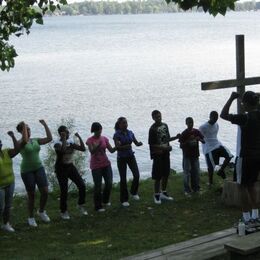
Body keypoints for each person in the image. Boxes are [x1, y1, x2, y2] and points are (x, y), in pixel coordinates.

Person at [220, 91, 260, 225]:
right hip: (257, 156)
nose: (242, 104)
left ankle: (246, 217)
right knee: (252, 185)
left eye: (243, 102)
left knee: (242, 186)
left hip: (245, 157)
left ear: (247, 104)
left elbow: (223, 115)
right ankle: (255, 215)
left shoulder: (245, 118)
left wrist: (231, 98)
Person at [17, 120, 52, 227]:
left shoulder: (35, 140)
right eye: (25, 129)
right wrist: (24, 128)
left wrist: (45, 124)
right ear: (21, 132)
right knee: (31, 195)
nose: (28, 130)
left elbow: (49, 138)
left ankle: (41, 211)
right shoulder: (20, 143)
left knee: (45, 191)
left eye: (29, 128)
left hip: (39, 168)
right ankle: (31, 217)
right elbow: (25, 139)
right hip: (27, 171)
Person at [54, 125, 87, 220]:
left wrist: (79, 137)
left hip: (70, 167)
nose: (68, 134)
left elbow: (82, 148)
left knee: (82, 185)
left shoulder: (70, 142)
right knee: (64, 191)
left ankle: (80, 205)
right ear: (61, 134)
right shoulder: (57, 144)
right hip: (61, 169)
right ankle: (63, 211)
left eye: (68, 132)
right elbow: (63, 150)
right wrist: (64, 139)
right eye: (66, 132)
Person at [148, 110, 180, 204]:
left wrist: (176, 137)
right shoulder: (152, 129)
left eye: (159, 116)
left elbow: (167, 139)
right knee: (158, 176)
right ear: (153, 118)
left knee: (166, 173)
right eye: (156, 117)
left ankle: (164, 192)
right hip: (158, 154)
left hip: (166, 153)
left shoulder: (165, 125)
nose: (159, 118)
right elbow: (152, 144)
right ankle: (156, 195)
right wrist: (163, 147)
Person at [86, 122, 116, 212]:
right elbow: (92, 152)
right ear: (93, 130)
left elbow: (111, 150)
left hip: (106, 164)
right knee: (98, 186)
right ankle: (97, 206)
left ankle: (105, 200)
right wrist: (98, 146)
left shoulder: (104, 139)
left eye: (100, 129)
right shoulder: (90, 140)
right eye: (97, 130)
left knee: (109, 183)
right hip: (96, 166)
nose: (99, 131)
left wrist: (118, 146)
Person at [113, 117, 142, 207]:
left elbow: (135, 142)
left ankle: (133, 192)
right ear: (119, 125)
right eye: (123, 123)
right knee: (123, 179)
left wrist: (139, 144)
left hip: (130, 156)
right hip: (121, 158)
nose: (125, 124)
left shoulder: (130, 132)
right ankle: (124, 199)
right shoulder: (117, 134)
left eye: (126, 123)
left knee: (136, 175)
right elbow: (117, 147)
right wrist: (125, 146)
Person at [0, 128, 25, 232]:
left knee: (8, 206)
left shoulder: (6, 152)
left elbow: (17, 149)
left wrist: (13, 137)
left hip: (10, 182)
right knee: (0, 207)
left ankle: (6, 224)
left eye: (0, 143)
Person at [199, 111, 233, 186]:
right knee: (211, 167)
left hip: (217, 144)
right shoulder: (203, 127)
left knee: (229, 156)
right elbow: (199, 137)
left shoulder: (216, 125)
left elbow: (214, 136)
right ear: (210, 117)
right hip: (209, 148)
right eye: (214, 118)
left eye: (216, 118)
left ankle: (221, 170)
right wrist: (202, 141)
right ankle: (210, 183)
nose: (215, 120)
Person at [179, 117, 204, 196]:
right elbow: (181, 145)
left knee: (196, 172)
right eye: (189, 123)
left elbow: (204, 141)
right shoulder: (184, 133)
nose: (190, 124)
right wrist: (188, 140)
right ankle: (187, 189)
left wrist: (198, 138)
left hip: (195, 155)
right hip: (187, 155)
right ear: (186, 124)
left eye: (191, 122)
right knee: (186, 173)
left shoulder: (197, 131)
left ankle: (196, 188)